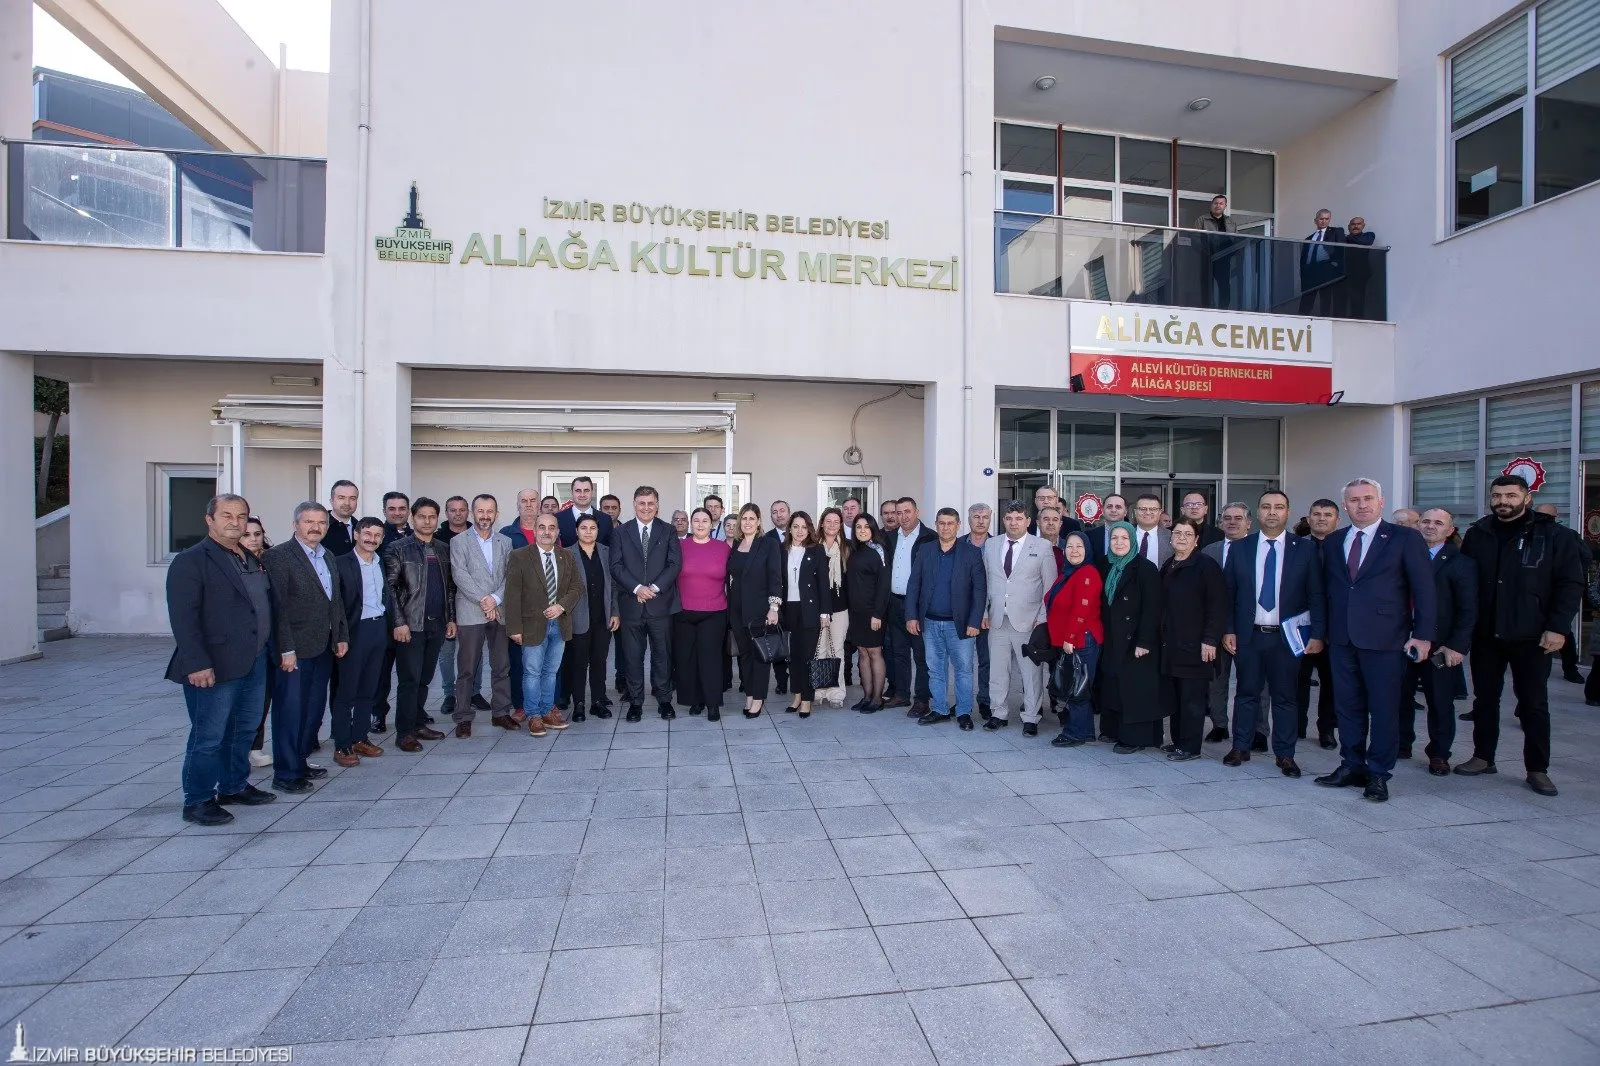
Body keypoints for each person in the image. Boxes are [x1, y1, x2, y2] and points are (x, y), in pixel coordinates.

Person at [1455, 476, 1585, 797]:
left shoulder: (1554, 535)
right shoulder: (1477, 534)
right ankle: (1483, 757)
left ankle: (1537, 769)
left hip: (1533, 636)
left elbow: (1570, 584)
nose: (1503, 501)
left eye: (1511, 495)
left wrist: (1558, 627)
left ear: (1527, 498)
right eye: (1497, 495)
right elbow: (1466, 584)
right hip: (1487, 635)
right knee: (1485, 699)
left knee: (1533, 703)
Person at [1314, 478, 1434, 803]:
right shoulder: (1334, 541)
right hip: (1342, 639)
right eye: (1354, 500)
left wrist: (1423, 636)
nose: (1361, 505)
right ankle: (1351, 764)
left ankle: (1378, 773)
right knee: (1348, 707)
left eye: (1368, 499)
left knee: (1383, 710)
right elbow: (1327, 592)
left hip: (1386, 640)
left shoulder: (1404, 538)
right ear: (1345, 506)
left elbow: (1424, 590)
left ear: (1380, 503)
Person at [165, 493, 277, 825]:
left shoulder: (250, 558)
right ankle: (197, 799)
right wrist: (197, 663)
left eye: (241, 516)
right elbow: (184, 618)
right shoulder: (192, 560)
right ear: (209, 520)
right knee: (209, 736)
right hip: (212, 665)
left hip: (253, 661)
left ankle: (233, 786)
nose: (235, 521)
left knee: (244, 729)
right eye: (227, 515)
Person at [1221, 490, 1326, 778]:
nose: (1272, 512)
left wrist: (1317, 634)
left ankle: (1285, 754)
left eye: (1278, 507)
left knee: (1285, 697)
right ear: (1257, 513)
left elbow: (1316, 594)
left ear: (1288, 513)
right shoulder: (1241, 548)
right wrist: (1228, 629)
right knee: (1245, 694)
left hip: (1288, 638)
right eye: (1266, 506)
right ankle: (1240, 746)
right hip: (1249, 636)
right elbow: (1228, 594)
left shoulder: (1304, 550)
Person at [262, 501, 349, 793]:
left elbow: (334, 601)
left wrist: (340, 635)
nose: (316, 528)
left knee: (312, 710)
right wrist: (285, 649)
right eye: (309, 522)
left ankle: (299, 762)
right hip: (294, 651)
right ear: (295, 525)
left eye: (321, 523)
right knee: (290, 711)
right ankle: (285, 773)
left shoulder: (327, 556)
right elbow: (278, 609)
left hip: (322, 646)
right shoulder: (279, 557)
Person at [1402, 508, 1477, 775]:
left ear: (1450, 530)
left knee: (1440, 701)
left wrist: (1457, 645)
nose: (1430, 527)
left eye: (1438, 523)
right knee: (1399, 697)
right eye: (1425, 522)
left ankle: (1439, 754)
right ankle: (1401, 744)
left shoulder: (1461, 564)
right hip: (1401, 641)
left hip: (1440, 645)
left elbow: (1468, 610)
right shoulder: (1403, 557)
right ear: (1417, 525)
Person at [982, 501, 1058, 735]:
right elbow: (985, 582)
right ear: (1003, 520)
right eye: (1009, 518)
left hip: (1028, 621)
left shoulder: (1042, 547)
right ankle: (998, 713)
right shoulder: (991, 545)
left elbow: (1050, 585)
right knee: (997, 670)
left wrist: (1043, 617)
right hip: (997, 620)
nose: (1013, 523)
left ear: (1027, 521)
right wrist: (984, 611)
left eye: (1018, 518)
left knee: (1030, 672)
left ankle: (1031, 718)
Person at [385, 497, 453, 753]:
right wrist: (399, 622)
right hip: (410, 626)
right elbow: (390, 589)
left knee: (424, 678)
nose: (427, 521)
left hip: (436, 624)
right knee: (409, 680)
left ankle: (417, 722)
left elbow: (450, 588)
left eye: (432, 517)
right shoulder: (398, 548)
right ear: (413, 518)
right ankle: (404, 732)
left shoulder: (443, 548)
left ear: (437, 520)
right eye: (422, 516)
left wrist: (451, 619)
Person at [906, 508, 986, 728]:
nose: (946, 527)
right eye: (941, 523)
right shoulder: (925, 550)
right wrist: (911, 616)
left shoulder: (971, 553)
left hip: (959, 625)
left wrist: (974, 621)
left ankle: (963, 713)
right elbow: (914, 584)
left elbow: (980, 591)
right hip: (930, 623)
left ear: (958, 525)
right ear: (936, 524)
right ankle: (940, 709)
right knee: (935, 669)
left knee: (963, 670)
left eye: (950, 523)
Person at [505, 512, 582, 737]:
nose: (546, 532)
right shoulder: (520, 556)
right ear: (535, 530)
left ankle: (548, 711)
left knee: (551, 671)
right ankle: (534, 715)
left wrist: (561, 606)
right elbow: (512, 594)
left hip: (559, 623)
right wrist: (514, 628)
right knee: (532, 672)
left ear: (558, 532)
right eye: (542, 527)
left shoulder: (566, 556)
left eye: (551, 527)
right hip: (531, 626)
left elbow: (577, 587)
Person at [613, 485, 684, 721]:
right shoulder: (621, 532)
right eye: (642, 503)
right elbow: (616, 566)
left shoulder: (668, 530)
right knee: (632, 657)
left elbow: (674, 564)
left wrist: (652, 588)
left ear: (657, 505)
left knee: (662, 655)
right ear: (634, 504)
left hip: (660, 604)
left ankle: (664, 700)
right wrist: (637, 588)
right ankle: (635, 702)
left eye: (650, 503)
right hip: (631, 605)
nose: (646, 508)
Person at [1159, 518, 1227, 761]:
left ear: (1197, 540)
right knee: (1177, 698)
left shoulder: (1206, 566)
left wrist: (1210, 640)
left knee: (1192, 700)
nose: (1182, 538)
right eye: (1178, 533)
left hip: (1197, 646)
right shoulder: (1169, 564)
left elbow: (1217, 607)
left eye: (1188, 534)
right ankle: (1178, 741)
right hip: (1173, 645)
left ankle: (1190, 747)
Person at [449, 494, 515, 737]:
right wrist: (484, 600)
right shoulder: (459, 542)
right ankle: (463, 717)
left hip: (499, 611)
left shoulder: (505, 542)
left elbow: (510, 575)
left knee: (501, 665)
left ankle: (501, 713)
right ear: (472, 513)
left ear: (496, 514)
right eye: (480, 511)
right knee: (467, 668)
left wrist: (495, 599)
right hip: (470, 611)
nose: (485, 516)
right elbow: (460, 575)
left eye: (490, 511)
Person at [1096, 522, 1162, 752]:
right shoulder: (1106, 564)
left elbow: (1153, 609)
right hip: (1112, 637)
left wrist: (1144, 641)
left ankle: (1135, 738)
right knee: (1113, 682)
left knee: (1135, 689)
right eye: (1115, 538)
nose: (1119, 542)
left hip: (1136, 640)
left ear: (1132, 540)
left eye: (1124, 538)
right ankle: (1112, 729)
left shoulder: (1145, 568)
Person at [330, 517, 390, 767]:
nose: (371, 539)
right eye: (367, 533)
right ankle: (342, 744)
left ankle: (360, 737)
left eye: (377, 535)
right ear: (356, 534)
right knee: (347, 690)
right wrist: (340, 636)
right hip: (354, 631)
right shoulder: (341, 563)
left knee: (369, 688)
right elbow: (336, 604)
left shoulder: (381, 562)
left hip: (378, 628)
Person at [1046, 531, 1103, 746]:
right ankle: (1085, 730)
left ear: (1087, 549)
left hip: (1082, 639)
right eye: (1070, 546)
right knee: (1079, 684)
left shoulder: (1087, 573)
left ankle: (1075, 732)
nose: (1074, 550)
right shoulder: (1068, 573)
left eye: (1079, 546)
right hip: (1072, 639)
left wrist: (1070, 638)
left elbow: (1082, 610)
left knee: (1078, 686)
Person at [674, 507, 732, 719]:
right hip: (683, 612)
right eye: (696, 520)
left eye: (704, 521)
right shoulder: (679, 547)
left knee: (710, 659)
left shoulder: (723, 548)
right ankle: (694, 700)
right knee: (688, 659)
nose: (700, 524)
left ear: (711, 524)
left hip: (714, 611)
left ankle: (712, 703)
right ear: (690, 523)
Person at [727, 503, 782, 719]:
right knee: (745, 656)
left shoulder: (768, 544)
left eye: (752, 518)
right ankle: (749, 693)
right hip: (737, 609)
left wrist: (774, 608)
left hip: (761, 609)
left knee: (760, 655)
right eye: (744, 518)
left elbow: (775, 577)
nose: (747, 522)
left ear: (759, 521)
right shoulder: (736, 545)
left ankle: (758, 698)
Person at [1201, 502, 1251, 744]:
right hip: (1216, 625)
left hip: (1249, 627)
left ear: (1248, 522)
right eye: (1227, 518)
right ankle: (1219, 724)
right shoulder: (1210, 551)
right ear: (1220, 522)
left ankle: (1258, 730)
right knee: (1216, 681)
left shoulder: (1257, 549)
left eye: (1238, 518)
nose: (1232, 522)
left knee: (1253, 684)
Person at [564, 512, 619, 721]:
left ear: (598, 531)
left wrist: (615, 612)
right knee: (578, 663)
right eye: (584, 528)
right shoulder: (567, 554)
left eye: (592, 528)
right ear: (576, 531)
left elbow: (614, 586)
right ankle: (579, 704)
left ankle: (597, 701)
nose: (588, 532)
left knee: (599, 661)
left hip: (603, 617)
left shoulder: (606, 552)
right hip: (578, 618)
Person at [1297, 497, 1342, 749]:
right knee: (1297, 680)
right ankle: (1296, 726)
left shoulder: (1344, 546)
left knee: (1332, 682)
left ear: (1337, 519)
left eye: (1327, 514)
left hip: (1335, 628)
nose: (1321, 518)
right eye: (1316, 514)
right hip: (1300, 625)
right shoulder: (1296, 546)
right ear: (1308, 518)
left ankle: (1327, 729)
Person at [887, 497, 938, 716]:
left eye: (907, 511)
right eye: (899, 513)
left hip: (918, 605)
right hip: (894, 602)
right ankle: (901, 694)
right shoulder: (889, 537)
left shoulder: (930, 538)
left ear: (917, 511)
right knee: (898, 652)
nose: (903, 516)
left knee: (921, 654)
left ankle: (922, 699)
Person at [780, 511, 832, 718]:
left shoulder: (817, 550)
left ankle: (807, 699)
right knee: (793, 657)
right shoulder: (781, 550)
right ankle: (797, 695)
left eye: (803, 527)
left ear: (808, 529)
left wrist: (825, 613)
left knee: (808, 656)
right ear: (790, 529)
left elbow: (823, 585)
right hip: (787, 609)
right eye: (796, 526)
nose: (800, 531)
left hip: (809, 610)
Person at [499, 490, 546, 721]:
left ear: (540, 504)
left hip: (548, 609)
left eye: (533, 500)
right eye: (524, 501)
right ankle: (520, 705)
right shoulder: (507, 535)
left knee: (545, 661)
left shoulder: (550, 531)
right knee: (518, 660)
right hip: (519, 608)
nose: (529, 505)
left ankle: (546, 704)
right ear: (517, 505)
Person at [434, 494, 482, 719]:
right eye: (453, 510)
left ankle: (474, 693)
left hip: (474, 600)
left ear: (468, 512)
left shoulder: (478, 536)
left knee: (474, 651)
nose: (458, 513)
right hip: (447, 602)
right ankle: (449, 694)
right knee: (447, 651)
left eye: (462, 510)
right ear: (446, 513)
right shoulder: (438, 539)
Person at [1536, 502, 1590, 684]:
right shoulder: (1530, 534)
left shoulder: (1566, 536)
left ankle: (1570, 668)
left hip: (1555, 594)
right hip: (1535, 595)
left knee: (1561, 630)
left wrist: (1571, 580)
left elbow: (1584, 559)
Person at [846, 513, 890, 712]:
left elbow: (883, 585)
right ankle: (866, 696)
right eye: (858, 527)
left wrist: (878, 614)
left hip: (873, 612)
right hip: (856, 612)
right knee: (862, 653)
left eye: (866, 526)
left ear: (873, 529)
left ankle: (877, 699)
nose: (862, 530)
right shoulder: (854, 551)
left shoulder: (878, 550)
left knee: (874, 652)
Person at [243, 516, 277, 770]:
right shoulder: (234, 564)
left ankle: (255, 746)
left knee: (262, 699)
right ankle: (241, 748)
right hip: (243, 644)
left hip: (270, 641)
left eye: (257, 534)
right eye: (247, 534)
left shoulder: (270, 562)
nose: (253, 539)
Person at [814, 507, 851, 707]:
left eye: (836, 522)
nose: (832, 525)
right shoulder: (813, 547)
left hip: (840, 607)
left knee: (837, 650)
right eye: (828, 521)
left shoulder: (847, 548)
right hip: (817, 608)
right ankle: (819, 690)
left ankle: (836, 692)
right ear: (821, 523)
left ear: (841, 524)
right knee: (819, 650)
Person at [966, 503, 994, 717]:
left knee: (986, 660)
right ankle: (963, 701)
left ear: (991, 518)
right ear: (969, 519)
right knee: (962, 661)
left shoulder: (998, 545)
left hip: (989, 615)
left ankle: (985, 700)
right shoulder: (958, 544)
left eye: (985, 516)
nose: (980, 520)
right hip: (961, 612)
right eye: (976, 516)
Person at [1191, 193, 1239, 309]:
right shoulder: (1202, 220)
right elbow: (1195, 239)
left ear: (1225, 206)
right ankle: (1206, 309)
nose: (1218, 206)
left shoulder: (1230, 222)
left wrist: (1230, 253)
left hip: (1224, 259)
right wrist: (1205, 253)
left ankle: (1224, 310)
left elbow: (1236, 240)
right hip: (1207, 259)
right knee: (1206, 286)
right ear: (1211, 205)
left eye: (1221, 203)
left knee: (1224, 286)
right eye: (1216, 203)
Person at [765, 499, 793, 693]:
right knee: (778, 641)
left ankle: (800, 679)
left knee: (798, 641)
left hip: (798, 598)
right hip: (776, 600)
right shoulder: (766, 539)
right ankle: (781, 681)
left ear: (789, 513)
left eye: (782, 510)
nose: (779, 514)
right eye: (774, 512)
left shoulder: (803, 534)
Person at [1298, 208, 1346, 315]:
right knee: (1307, 299)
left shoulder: (1336, 232)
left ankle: (1325, 320)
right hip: (1310, 272)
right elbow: (1304, 258)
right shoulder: (1309, 238)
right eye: (1321, 219)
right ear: (1315, 221)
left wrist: (1335, 264)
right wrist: (1304, 271)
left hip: (1327, 270)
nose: (1324, 221)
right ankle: (1301, 319)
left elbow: (1342, 249)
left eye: (1327, 219)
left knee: (1326, 298)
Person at [557, 476, 613, 547]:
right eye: (578, 491)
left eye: (586, 491)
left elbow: (611, 548)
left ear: (592, 492)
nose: (582, 495)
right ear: (572, 492)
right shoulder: (558, 518)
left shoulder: (606, 519)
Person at [1342, 216, 1377, 319]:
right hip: (1345, 273)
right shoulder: (1345, 239)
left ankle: (1358, 316)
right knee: (1345, 296)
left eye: (1358, 224)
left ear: (1363, 225)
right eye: (1353, 224)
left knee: (1358, 295)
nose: (1356, 226)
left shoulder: (1369, 235)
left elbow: (1366, 242)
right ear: (1349, 226)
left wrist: (1349, 237)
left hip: (1361, 272)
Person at [1131, 494, 1173, 569]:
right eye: (1143, 509)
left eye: (1153, 509)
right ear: (1135, 512)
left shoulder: (1171, 537)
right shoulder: (1125, 534)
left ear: (1160, 512)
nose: (1147, 512)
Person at [1086, 493, 1129, 563]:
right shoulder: (1089, 536)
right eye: (1109, 507)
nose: (1113, 510)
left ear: (1125, 512)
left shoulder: (1135, 534)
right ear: (1102, 511)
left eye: (1118, 507)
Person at [322, 479, 360, 556]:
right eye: (341, 498)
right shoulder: (319, 525)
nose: (347, 503)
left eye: (352, 498)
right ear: (331, 501)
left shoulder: (361, 528)